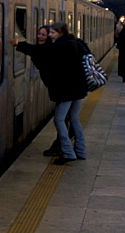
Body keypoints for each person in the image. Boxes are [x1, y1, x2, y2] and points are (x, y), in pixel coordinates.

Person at [12, 21, 88, 164]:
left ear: (61, 33)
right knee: (73, 118)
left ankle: (67, 153)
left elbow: (39, 51)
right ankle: (81, 150)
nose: (50, 36)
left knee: (59, 119)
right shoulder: (75, 43)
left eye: (52, 33)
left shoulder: (60, 46)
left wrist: (18, 44)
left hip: (67, 90)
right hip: (79, 88)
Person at [12, 25, 68, 156]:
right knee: (68, 119)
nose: (40, 36)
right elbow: (37, 50)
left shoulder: (50, 49)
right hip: (64, 89)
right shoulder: (51, 48)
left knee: (61, 119)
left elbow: (36, 51)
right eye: (39, 34)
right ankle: (69, 147)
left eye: (44, 34)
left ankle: (64, 149)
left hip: (64, 89)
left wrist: (18, 44)